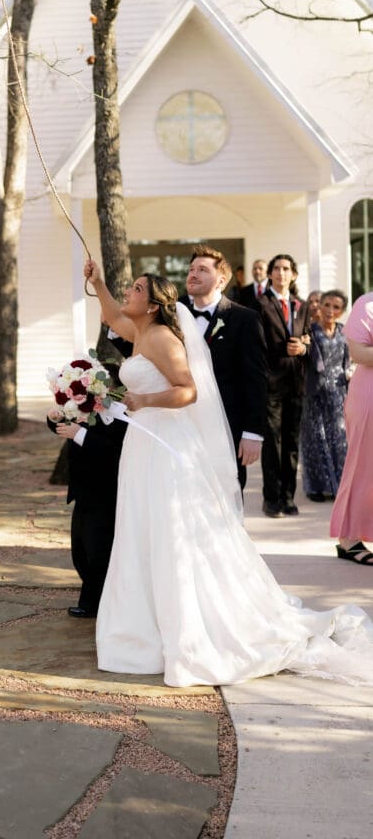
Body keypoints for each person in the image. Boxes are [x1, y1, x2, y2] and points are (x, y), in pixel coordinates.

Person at [84, 258, 373, 687]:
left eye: (137, 289)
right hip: (143, 446)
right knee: (142, 528)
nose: (129, 292)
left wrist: (144, 402)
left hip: (166, 447)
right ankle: (145, 626)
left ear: (153, 304)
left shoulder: (161, 337)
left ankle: (185, 627)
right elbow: (111, 315)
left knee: (168, 531)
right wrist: (98, 283)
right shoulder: (140, 331)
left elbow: (187, 390)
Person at [182, 245, 267, 491]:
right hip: (182, 424)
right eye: (191, 269)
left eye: (202, 270)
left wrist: (253, 432)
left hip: (227, 425)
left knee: (227, 493)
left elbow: (256, 379)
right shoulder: (174, 314)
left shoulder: (245, 318)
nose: (193, 274)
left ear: (221, 280)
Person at [48, 388, 127, 617]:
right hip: (83, 492)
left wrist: (80, 435)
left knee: (98, 552)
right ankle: (95, 599)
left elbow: (115, 451)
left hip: (106, 493)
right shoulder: (82, 407)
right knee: (80, 551)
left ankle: (94, 604)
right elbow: (63, 426)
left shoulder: (121, 416)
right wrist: (54, 419)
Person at [257, 254, 310, 518]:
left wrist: (303, 348)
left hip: (296, 383)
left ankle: (288, 497)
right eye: (276, 268)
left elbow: (309, 339)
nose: (281, 273)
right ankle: (272, 499)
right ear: (270, 274)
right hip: (271, 383)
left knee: (291, 443)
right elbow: (256, 344)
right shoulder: (260, 304)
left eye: (286, 268)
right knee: (272, 444)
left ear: (294, 275)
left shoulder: (302, 305)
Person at [330, 292, 373, 565]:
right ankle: (349, 539)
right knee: (363, 467)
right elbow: (358, 353)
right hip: (370, 396)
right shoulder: (367, 304)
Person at [300, 290, 350, 503]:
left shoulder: (345, 331)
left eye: (336, 307)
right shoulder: (309, 331)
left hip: (338, 392)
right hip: (315, 392)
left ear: (341, 311)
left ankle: (340, 485)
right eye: (327, 305)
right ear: (319, 306)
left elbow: (348, 361)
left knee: (339, 440)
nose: (330, 310)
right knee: (315, 439)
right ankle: (316, 488)